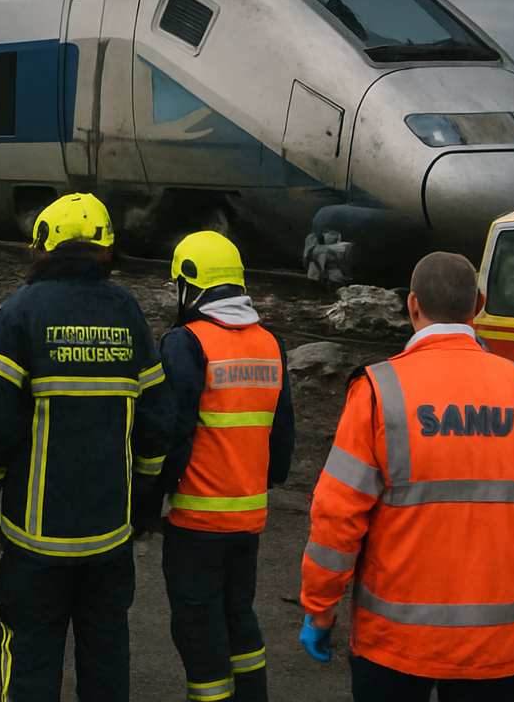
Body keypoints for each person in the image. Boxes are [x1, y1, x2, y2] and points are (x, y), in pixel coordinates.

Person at [299, 251, 514, 702]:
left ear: (412, 305)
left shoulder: (379, 392)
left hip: (396, 642)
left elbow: (336, 516)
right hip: (500, 641)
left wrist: (320, 607)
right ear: (478, 305)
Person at [0, 192, 172, 702]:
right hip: (108, 537)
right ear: (106, 249)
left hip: (35, 540)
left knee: (30, 660)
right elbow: (156, 422)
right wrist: (142, 501)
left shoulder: (19, 314)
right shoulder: (127, 313)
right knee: (106, 658)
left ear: (42, 247)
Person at [156, 231, 294, 702]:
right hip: (248, 518)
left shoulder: (186, 342)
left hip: (197, 520)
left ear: (188, 286)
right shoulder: (270, 343)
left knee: (198, 626)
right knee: (239, 617)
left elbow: (173, 432)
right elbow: (282, 435)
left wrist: (153, 494)